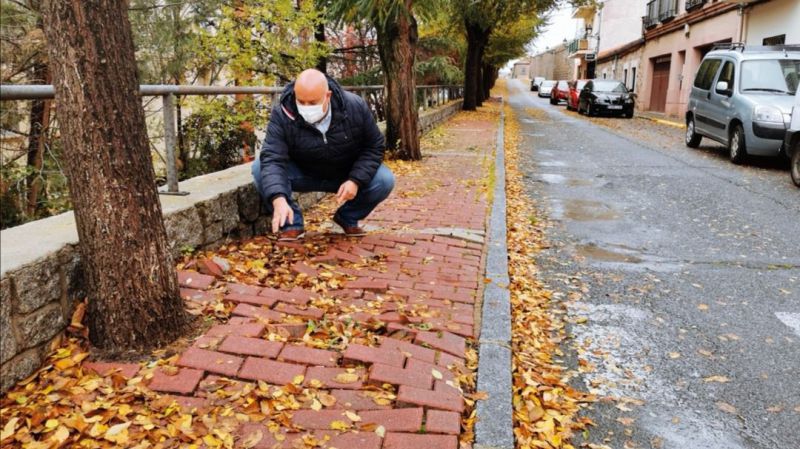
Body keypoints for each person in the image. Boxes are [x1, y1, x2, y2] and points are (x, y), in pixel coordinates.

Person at [252, 69, 394, 240]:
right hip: (303, 172)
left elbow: (374, 146)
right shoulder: (282, 113)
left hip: (344, 174)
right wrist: (278, 199)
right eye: (300, 102)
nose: (305, 108)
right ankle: (292, 224)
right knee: (260, 168)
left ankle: (347, 217)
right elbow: (272, 157)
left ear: (328, 95)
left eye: (312, 103)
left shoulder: (355, 106)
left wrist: (355, 180)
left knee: (384, 180)